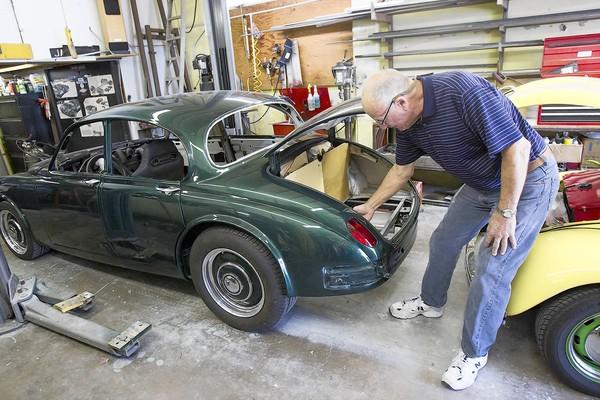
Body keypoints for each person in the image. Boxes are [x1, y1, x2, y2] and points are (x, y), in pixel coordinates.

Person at [354, 70, 559, 390]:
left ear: (402, 101)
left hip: (528, 177)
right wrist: (372, 205)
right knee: (444, 240)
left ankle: (475, 353)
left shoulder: (462, 92)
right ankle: (431, 302)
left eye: (383, 120)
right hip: (482, 185)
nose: (385, 128)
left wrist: (505, 213)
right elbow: (401, 169)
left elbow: (516, 149)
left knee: (492, 265)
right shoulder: (407, 122)